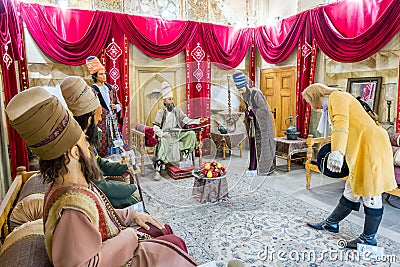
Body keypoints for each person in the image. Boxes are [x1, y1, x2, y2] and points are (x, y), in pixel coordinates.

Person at [5, 86, 197, 266]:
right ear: (74, 152)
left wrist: (131, 215)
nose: (90, 149)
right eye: (84, 143)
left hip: (116, 241)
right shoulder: (71, 209)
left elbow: (98, 212)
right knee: (174, 243)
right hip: (122, 256)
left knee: (163, 229)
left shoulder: (69, 183)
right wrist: (129, 236)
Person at [302, 83, 397, 248]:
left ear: (315, 96)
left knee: (371, 190)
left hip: (370, 146)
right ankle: (331, 223)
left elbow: (341, 124)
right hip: (364, 144)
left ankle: (368, 239)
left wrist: (337, 152)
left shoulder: (336, 97)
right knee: (352, 186)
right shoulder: (337, 98)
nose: (311, 106)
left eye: (309, 101)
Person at [60, 76, 142, 209]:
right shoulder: (75, 147)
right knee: (132, 199)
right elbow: (93, 184)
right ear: (89, 119)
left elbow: (98, 163)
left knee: (133, 198)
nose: (99, 121)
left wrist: (123, 168)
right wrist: (131, 188)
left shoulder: (86, 138)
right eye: (98, 117)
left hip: (97, 189)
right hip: (90, 197)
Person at [152, 81, 206, 180]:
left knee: (191, 133)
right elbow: (155, 127)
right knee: (164, 141)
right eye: (169, 99)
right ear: (164, 101)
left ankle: (184, 158)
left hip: (177, 133)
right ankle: (157, 170)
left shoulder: (177, 110)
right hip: (166, 135)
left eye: (172, 99)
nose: (171, 101)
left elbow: (186, 120)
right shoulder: (161, 112)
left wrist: (198, 121)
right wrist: (162, 134)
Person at [232, 71, 275, 176]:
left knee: (264, 145)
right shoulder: (245, 95)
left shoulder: (256, 93)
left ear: (245, 85)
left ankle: (265, 168)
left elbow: (264, 110)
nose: (240, 91)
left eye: (241, 88)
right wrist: (248, 112)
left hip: (263, 124)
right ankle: (254, 166)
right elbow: (248, 109)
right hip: (254, 124)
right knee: (254, 144)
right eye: (239, 89)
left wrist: (253, 111)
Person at [86, 56, 123, 157]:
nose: (104, 76)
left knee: (115, 142)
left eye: (104, 73)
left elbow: (119, 104)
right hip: (100, 122)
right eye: (101, 74)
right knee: (101, 142)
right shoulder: (92, 90)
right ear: (95, 76)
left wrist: (116, 107)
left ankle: (115, 160)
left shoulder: (111, 88)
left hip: (112, 121)